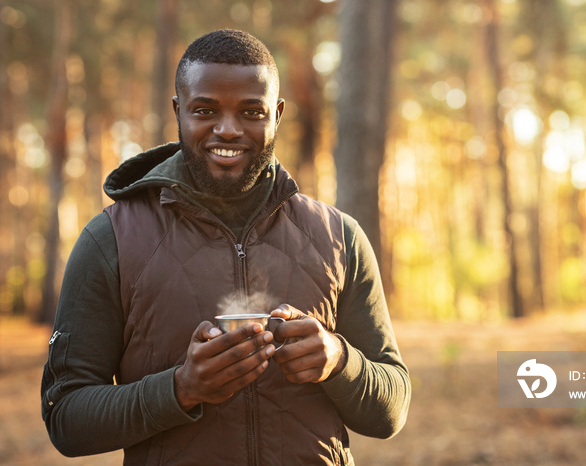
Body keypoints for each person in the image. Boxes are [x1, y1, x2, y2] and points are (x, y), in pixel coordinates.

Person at [41, 29, 410, 465]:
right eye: (205, 110)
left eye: (251, 111)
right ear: (179, 111)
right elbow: (65, 418)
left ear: (277, 113)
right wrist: (180, 388)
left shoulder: (339, 237)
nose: (228, 129)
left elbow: (392, 410)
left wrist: (339, 360)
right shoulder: (111, 240)